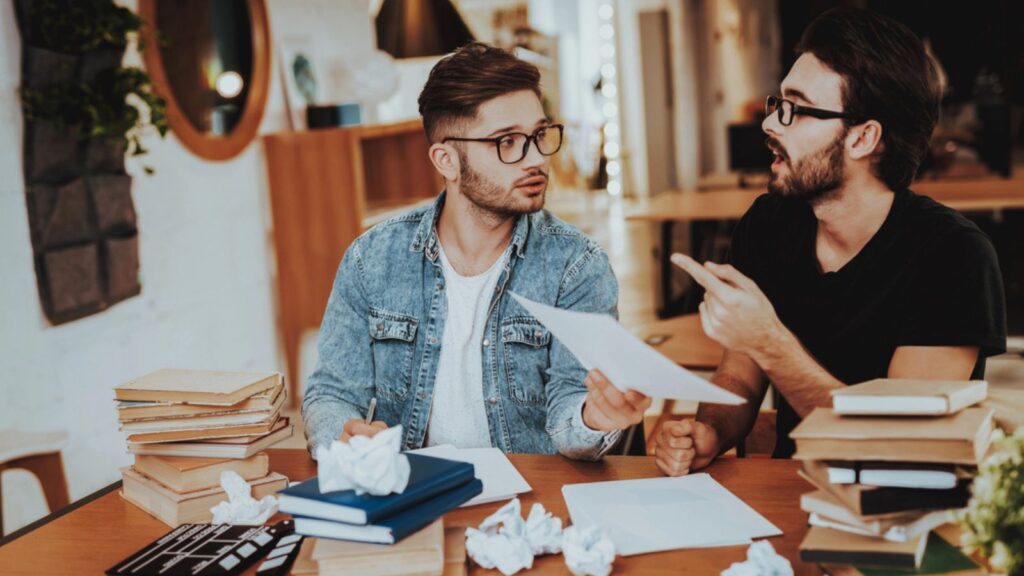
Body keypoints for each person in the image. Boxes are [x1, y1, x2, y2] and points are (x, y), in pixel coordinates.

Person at [653, 7, 1006, 476]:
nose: (771, 125)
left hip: (899, 517)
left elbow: (901, 444)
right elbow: (739, 375)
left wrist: (773, 342)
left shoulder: (953, 257)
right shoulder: (769, 224)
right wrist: (711, 431)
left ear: (862, 137)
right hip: (787, 494)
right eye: (778, 104)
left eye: (795, 110)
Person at [302, 42, 649, 460]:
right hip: (412, 499)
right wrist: (343, 435)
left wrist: (594, 417)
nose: (536, 158)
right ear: (446, 160)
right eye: (507, 142)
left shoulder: (576, 267)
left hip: (530, 505)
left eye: (539, 135)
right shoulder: (371, 260)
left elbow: (569, 419)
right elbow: (331, 393)